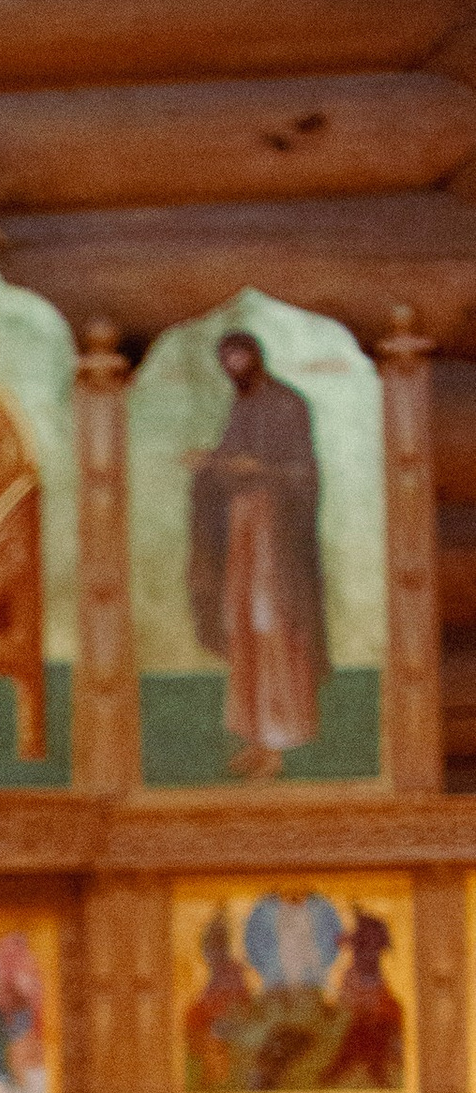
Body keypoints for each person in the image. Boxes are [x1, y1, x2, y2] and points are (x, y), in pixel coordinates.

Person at [189, 331, 327, 780]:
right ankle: (255, 737)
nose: (233, 364)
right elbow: (233, 460)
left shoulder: (288, 404)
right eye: (225, 357)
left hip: (277, 536)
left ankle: (280, 740)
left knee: (274, 626)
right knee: (245, 627)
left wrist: (258, 470)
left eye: (239, 355)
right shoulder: (244, 404)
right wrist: (212, 463)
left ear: (256, 356)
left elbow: (302, 472)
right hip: (246, 528)